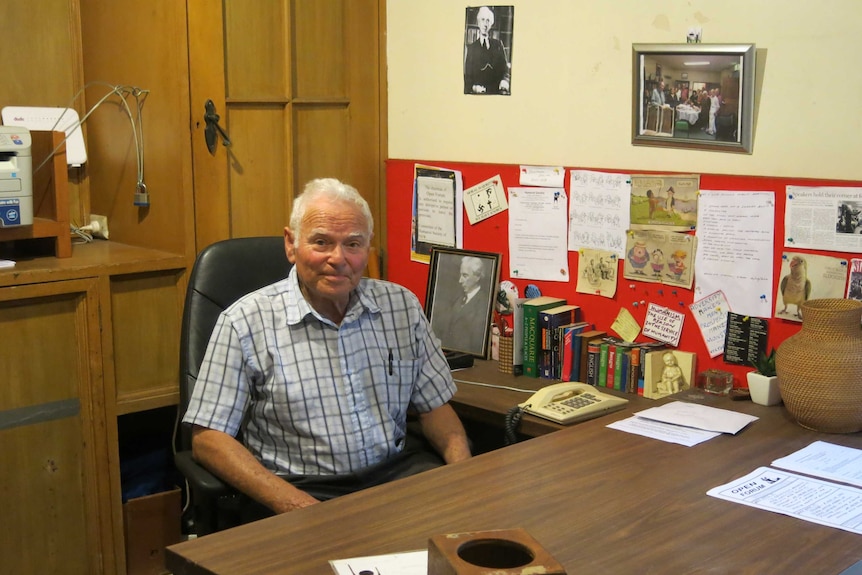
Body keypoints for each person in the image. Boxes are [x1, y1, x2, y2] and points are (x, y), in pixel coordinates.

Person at [183, 178, 472, 522]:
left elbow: (435, 409)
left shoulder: (401, 306)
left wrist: (461, 480)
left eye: (353, 244)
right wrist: (297, 506)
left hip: (394, 478)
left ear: (368, 248)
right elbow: (208, 439)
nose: (339, 259)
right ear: (291, 244)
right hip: (301, 488)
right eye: (321, 242)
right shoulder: (245, 322)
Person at [434, 256, 490, 353]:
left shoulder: (484, 304)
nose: (460, 280)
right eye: (461, 275)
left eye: (465, 275)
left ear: (477, 276)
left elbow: (476, 342)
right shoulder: (458, 300)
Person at [463, 6, 511, 95]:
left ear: (491, 24)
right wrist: (474, 87)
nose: (485, 24)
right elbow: (467, 76)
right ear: (478, 23)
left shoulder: (498, 45)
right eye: (483, 20)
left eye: (488, 21)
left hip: (497, 92)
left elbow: (506, 70)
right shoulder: (471, 48)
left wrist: (505, 80)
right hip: (479, 94)